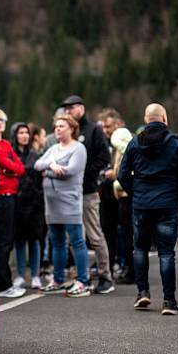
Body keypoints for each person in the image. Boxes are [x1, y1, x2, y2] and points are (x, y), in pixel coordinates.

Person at [118, 103, 178, 315]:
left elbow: (123, 175)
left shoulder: (134, 143)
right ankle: (169, 301)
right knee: (166, 253)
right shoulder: (176, 144)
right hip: (167, 204)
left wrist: (136, 193)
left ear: (145, 118)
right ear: (165, 119)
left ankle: (142, 292)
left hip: (141, 205)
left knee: (139, 248)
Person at [60, 95, 114, 294]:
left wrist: (87, 173)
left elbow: (104, 157)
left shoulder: (94, 130)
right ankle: (81, 276)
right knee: (74, 237)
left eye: (70, 108)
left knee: (95, 235)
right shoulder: (69, 132)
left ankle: (105, 275)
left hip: (88, 190)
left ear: (81, 109)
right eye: (65, 109)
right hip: (69, 193)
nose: (67, 112)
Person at [35, 115, 90, 298]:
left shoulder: (79, 148)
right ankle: (58, 280)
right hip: (52, 203)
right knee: (57, 242)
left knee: (77, 242)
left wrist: (47, 172)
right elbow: (37, 165)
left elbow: (70, 171)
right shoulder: (52, 149)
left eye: (61, 126)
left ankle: (83, 281)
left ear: (71, 129)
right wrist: (52, 165)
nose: (57, 129)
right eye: (56, 126)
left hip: (70, 202)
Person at [0, 108, 26, 298]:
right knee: (2, 241)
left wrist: (11, 171)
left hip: (10, 194)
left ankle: (5, 282)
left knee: (6, 241)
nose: (0, 123)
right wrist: (10, 171)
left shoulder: (6, 143)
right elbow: (8, 165)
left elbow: (20, 168)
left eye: (2, 119)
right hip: (0, 196)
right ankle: (2, 285)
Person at [11, 122, 45, 290]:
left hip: (34, 203)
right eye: (20, 132)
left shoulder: (35, 154)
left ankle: (35, 275)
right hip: (17, 202)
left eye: (26, 132)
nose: (24, 135)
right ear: (15, 135)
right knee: (19, 241)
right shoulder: (11, 155)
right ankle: (20, 275)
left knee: (35, 240)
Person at [98, 108, 126, 280]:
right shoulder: (104, 142)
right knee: (107, 230)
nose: (106, 130)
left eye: (108, 126)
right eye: (104, 127)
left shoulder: (124, 142)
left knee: (122, 231)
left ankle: (123, 264)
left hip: (121, 192)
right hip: (106, 193)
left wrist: (114, 173)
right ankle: (110, 264)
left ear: (118, 124)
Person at [109, 127, 135, 284]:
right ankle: (129, 268)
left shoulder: (127, 154)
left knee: (128, 237)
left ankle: (131, 271)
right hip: (125, 200)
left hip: (128, 199)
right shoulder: (123, 154)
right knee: (127, 237)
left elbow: (128, 178)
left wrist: (115, 186)